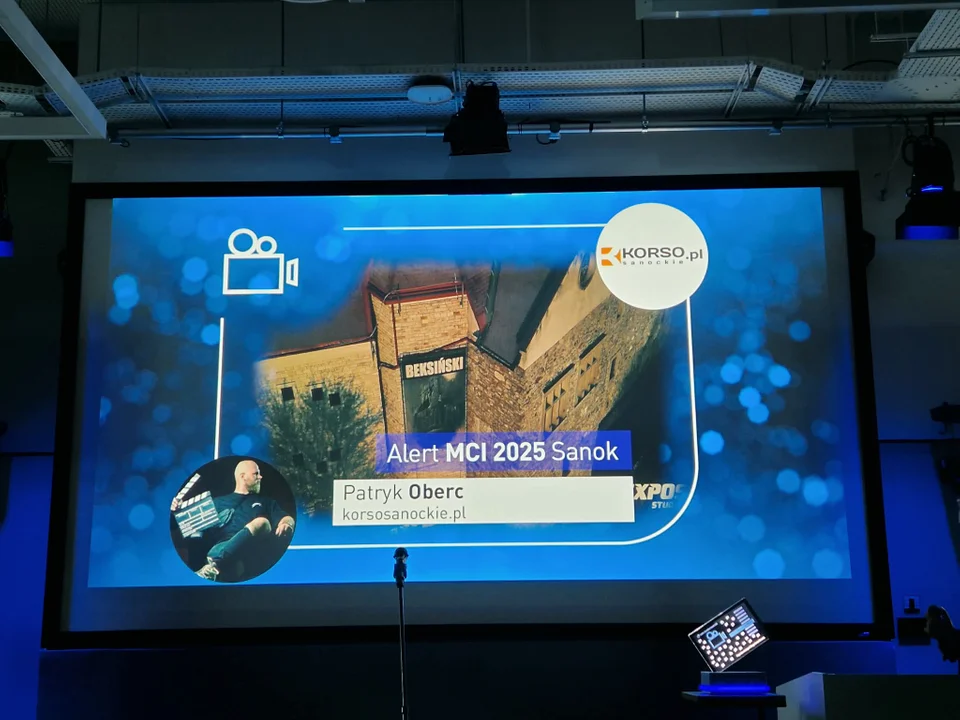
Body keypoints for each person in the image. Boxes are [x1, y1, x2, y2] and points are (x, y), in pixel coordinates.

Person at [177, 460, 295, 582]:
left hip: (249, 555)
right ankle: (216, 565)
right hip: (220, 548)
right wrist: (178, 509)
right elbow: (189, 529)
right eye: (256, 473)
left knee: (262, 523)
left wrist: (286, 523)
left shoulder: (266, 502)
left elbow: (286, 518)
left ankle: (215, 565)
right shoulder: (217, 503)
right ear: (243, 476)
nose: (260, 477)